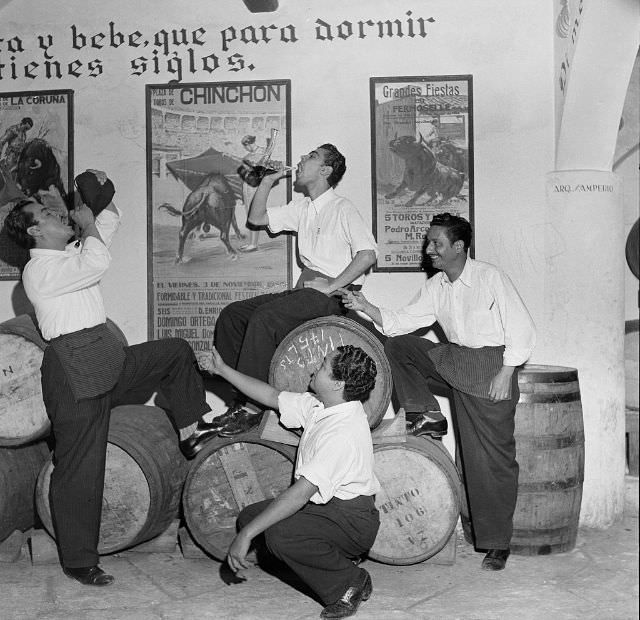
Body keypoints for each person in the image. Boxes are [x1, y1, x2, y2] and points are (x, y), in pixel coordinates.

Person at [3, 172, 221, 587]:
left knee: (174, 352)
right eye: (49, 214)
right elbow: (98, 258)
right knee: (80, 468)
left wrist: (93, 188)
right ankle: (79, 560)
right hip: (72, 371)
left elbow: (109, 221)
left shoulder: (68, 253)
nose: (58, 215)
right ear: (34, 230)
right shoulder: (38, 271)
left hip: (105, 355)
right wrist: (84, 225)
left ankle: (191, 426)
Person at [339, 212, 536, 572]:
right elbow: (404, 321)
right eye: (429, 242)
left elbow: (522, 328)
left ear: (459, 247)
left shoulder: (491, 277)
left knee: (490, 462)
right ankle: (425, 414)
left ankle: (497, 544)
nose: (429, 249)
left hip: (490, 369)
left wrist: (507, 371)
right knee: (398, 346)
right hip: (456, 359)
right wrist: (365, 307)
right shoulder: (437, 285)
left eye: (437, 243)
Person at [200, 343, 380, 619]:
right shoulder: (323, 406)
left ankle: (350, 581)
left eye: (322, 366)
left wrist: (246, 537)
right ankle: (329, 560)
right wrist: (222, 369)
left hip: (352, 520)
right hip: (329, 508)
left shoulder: (343, 431)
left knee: (278, 535)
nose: (314, 368)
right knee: (251, 517)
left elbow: (300, 494)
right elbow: (271, 395)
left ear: (338, 384)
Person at [213, 143, 378, 436]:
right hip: (305, 292)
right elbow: (257, 218)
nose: (301, 159)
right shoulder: (302, 208)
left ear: (326, 170)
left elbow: (367, 254)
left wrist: (332, 285)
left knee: (265, 317)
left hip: (330, 296)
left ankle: (253, 408)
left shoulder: (343, 208)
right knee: (233, 315)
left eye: (311, 156)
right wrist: (266, 181)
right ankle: (244, 394)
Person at [238, 134, 264, 252]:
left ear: (249, 144)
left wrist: (252, 166)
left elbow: (262, 171)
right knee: (249, 214)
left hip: (256, 187)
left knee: (255, 214)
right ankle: (251, 242)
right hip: (246, 186)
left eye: (246, 146)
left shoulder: (263, 152)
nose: (246, 149)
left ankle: (254, 244)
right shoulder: (247, 156)